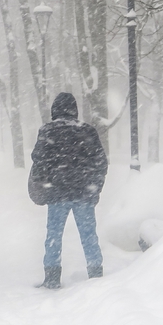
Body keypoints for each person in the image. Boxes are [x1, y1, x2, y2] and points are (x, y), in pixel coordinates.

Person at [28, 92, 108, 289]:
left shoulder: (48, 131)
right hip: (84, 194)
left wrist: (44, 183)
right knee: (89, 235)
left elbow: (38, 160)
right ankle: (96, 274)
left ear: (55, 109)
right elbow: (101, 163)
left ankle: (52, 277)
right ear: (74, 109)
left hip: (57, 193)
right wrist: (95, 188)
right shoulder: (87, 131)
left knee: (54, 236)